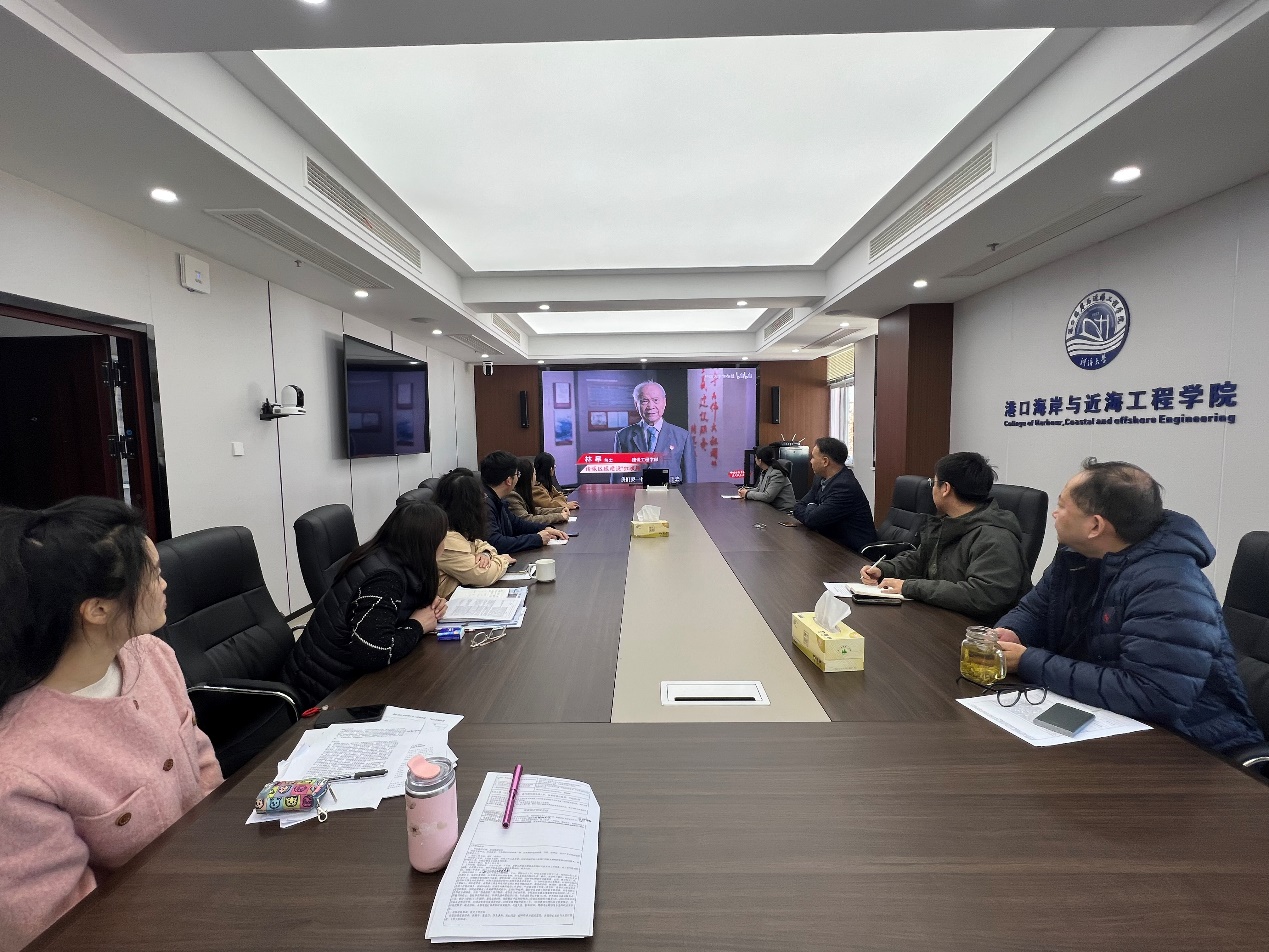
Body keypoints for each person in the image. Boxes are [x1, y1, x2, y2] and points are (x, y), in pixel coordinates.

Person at [0, 498, 222, 950]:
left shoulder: (152, 656)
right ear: (97, 609)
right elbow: (59, 927)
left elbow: (199, 760)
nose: (164, 583)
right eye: (152, 574)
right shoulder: (20, 770)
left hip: (214, 891)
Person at [993, 458, 1262, 755]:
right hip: (1105, 718)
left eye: (1062, 506)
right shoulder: (1077, 555)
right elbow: (1036, 610)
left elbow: (1153, 694)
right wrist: (1011, 632)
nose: (1055, 514)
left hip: (1193, 744)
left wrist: (1028, 661)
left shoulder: (1168, 586)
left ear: (1095, 525)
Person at [283, 501, 450, 708]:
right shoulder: (385, 579)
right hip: (325, 691)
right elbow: (374, 653)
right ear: (427, 543)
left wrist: (426, 607)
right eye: (443, 537)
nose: (445, 544)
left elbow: (392, 611)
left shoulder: (388, 556)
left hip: (339, 675)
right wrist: (417, 625)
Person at [860, 452, 1030, 623]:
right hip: (942, 616)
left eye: (933, 483)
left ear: (945, 488)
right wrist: (884, 569)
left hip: (978, 629)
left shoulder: (995, 537)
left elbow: (982, 595)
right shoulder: (949, 522)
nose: (932, 489)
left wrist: (909, 587)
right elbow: (919, 559)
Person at [434, 468, 512, 598]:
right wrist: (503, 560)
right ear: (469, 505)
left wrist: (485, 553)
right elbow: (484, 575)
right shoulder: (445, 537)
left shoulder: (457, 527)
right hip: (450, 603)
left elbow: (480, 543)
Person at [792, 437, 877, 552]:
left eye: (813, 457)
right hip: (829, 544)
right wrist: (814, 509)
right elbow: (798, 507)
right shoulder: (819, 479)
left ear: (825, 461)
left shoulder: (845, 487)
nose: (811, 461)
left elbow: (813, 520)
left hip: (853, 553)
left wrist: (811, 506)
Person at [481, 451, 568, 554]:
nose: (518, 478)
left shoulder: (497, 500)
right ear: (509, 481)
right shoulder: (484, 504)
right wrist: (537, 539)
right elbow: (496, 543)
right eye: (517, 474)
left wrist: (545, 528)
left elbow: (517, 524)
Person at [612, 380, 696, 484]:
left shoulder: (682, 436)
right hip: (635, 493)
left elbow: (690, 479)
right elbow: (617, 479)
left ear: (664, 402)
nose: (651, 406)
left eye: (656, 400)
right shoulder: (623, 436)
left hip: (672, 493)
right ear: (636, 404)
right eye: (644, 401)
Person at [506, 456, 569, 526]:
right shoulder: (512, 496)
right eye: (535, 474)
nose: (536, 478)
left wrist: (559, 510)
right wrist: (558, 516)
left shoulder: (522, 493)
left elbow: (534, 510)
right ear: (528, 477)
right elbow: (527, 519)